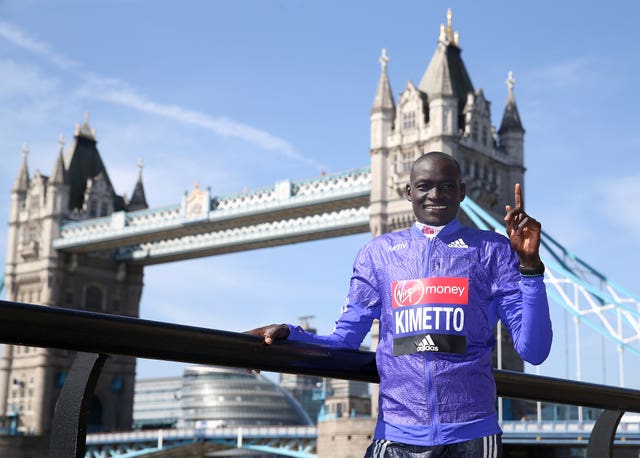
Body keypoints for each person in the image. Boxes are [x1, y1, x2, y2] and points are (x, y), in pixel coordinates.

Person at [247, 151, 552, 457]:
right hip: (394, 437)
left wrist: (530, 267)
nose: (435, 195)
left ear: (462, 192)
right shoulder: (378, 254)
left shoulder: (492, 250)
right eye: (424, 186)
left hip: (472, 436)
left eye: (446, 186)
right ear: (408, 192)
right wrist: (289, 334)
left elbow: (534, 351)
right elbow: (343, 342)